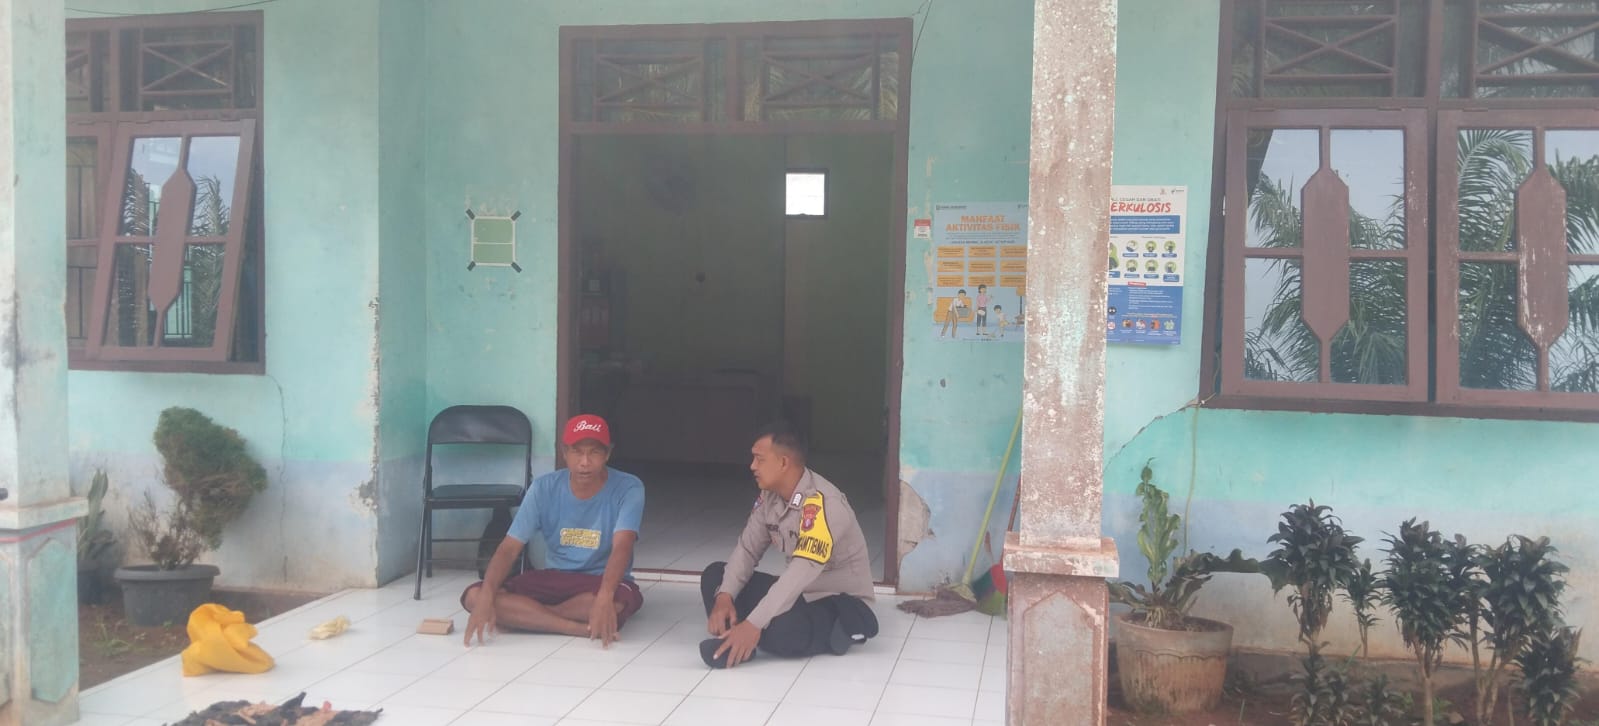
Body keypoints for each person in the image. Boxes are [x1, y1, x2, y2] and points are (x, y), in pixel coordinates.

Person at [698, 422, 879, 669]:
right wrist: (725, 596)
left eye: (760, 459)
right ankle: (740, 641)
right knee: (715, 577)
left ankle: (846, 628)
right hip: (798, 594)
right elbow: (747, 550)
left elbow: (800, 571)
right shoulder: (769, 497)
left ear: (783, 463)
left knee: (785, 630)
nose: (752, 466)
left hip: (836, 600)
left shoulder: (823, 504)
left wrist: (754, 623)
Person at [462, 414, 644, 649]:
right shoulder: (543, 487)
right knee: (475, 597)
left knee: (614, 604)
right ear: (564, 452)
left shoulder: (628, 487)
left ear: (608, 453)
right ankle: (574, 628)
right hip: (554, 577)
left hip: (600, 579)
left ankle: (528, 618)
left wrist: (605, 594)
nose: (585, 462)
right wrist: (487, 594)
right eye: (577, 452)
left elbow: (622, 546)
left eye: (594, 452)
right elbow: (509, 548)